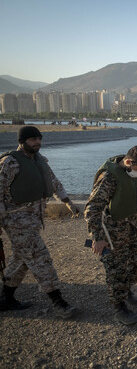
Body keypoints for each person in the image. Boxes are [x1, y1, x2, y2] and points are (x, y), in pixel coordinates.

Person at [0, 126, 80, 318]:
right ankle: (58, 302)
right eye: (32, 140)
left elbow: (54, 182)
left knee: (21, 260)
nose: (37, 143)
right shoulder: (9, 163)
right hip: (16, 220)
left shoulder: (39, 161)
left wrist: (67, 202)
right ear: (22, 141)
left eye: (39, 139)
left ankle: (5, 299)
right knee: (40, 257)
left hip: (34, 220)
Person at [84, 145, 137, 325]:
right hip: (111, 231)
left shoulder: (130, 171)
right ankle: (119, 307)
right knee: (116, 269)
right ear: (129, 162)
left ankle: (125, 289)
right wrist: (98, 237)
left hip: (130, 226)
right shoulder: (109, 178)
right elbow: (92, 209)